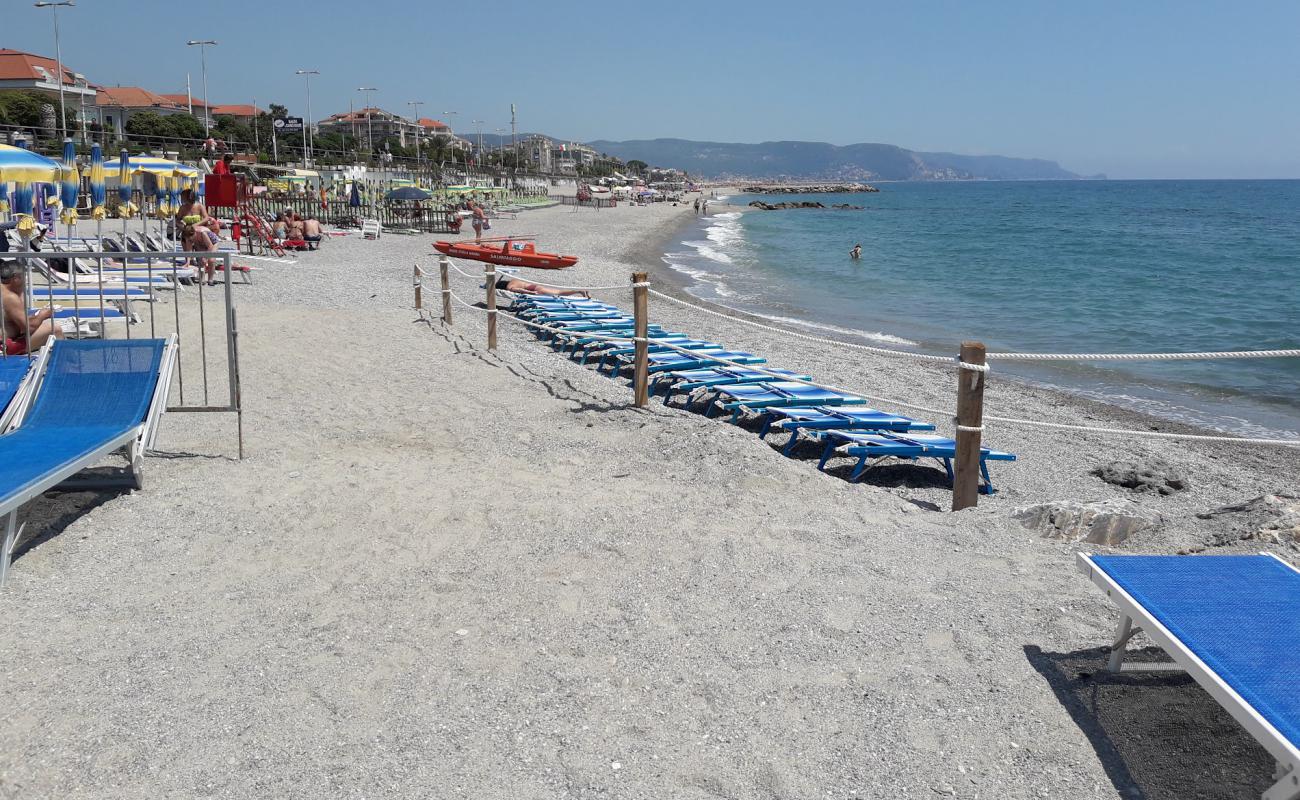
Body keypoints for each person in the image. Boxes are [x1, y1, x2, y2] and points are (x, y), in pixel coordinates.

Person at [1, 260, 63, 354]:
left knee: (45, 326)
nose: (25, 281)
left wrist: (36, 316)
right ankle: (64, 362)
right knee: (55, 329)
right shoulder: (10, 297)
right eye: (24, 277)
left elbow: (15, 319)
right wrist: (43, 315)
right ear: (16, 278)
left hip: (6, 340)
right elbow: (28, 327)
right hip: (4, 346)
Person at [494, 276, 588, 299]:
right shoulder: (513, 280)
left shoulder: (510, 286)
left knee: (559, 293)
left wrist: (531, 293)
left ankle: (579, 291)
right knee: (559, 292)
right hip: (533, 286)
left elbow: (518, 290)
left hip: (534, 290)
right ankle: (579, 291)